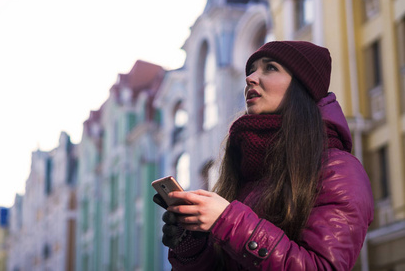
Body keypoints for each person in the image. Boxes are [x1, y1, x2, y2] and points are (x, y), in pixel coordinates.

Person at [153, 40, 374, 270]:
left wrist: (226, 221)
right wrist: (192, 243)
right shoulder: (244, 170)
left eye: (270, 68)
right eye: (250, 71)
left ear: (302, 86)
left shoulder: (338, 170)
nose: (250, 78)